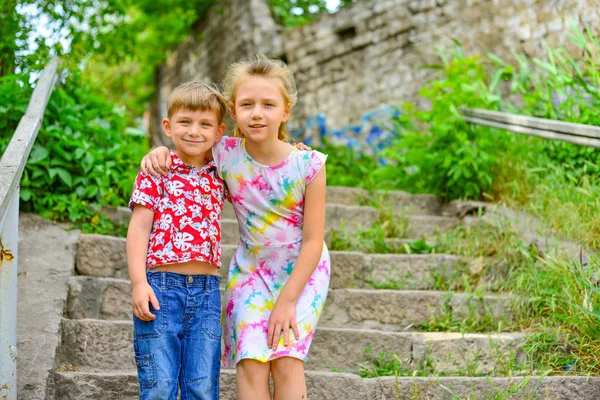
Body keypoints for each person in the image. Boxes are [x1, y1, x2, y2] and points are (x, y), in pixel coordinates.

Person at [141, 55, 330, 400]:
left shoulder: (309, 164)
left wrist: (287, 301)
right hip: (250, 272)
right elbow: (188, 144)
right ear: (233, 110)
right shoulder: (224, 153)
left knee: (286, 359)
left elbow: (314, 240)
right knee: (251, 360)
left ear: (285, 112)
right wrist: (158, 151)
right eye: (247, 104)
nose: (257, 113)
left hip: (302, 272)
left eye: (268, 104)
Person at [127, 82, 228, 400]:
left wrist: (297, 151)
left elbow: (261, 155)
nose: (194, 131)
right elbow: (139, 228)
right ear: (168, 126)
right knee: (159, 386)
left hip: (207, 293)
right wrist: (138, 283)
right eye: (185, 122)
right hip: (160, 289)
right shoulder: (158, 170)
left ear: (218, 131)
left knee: (202, 387)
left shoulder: (221, 172)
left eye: (205, 124)